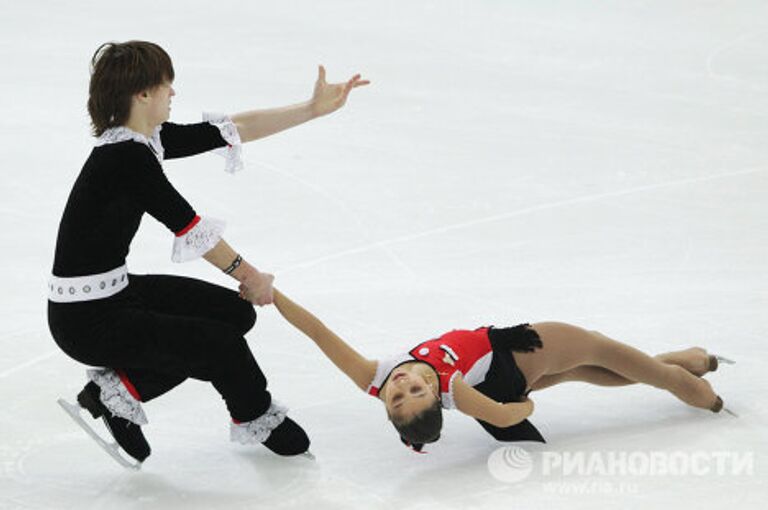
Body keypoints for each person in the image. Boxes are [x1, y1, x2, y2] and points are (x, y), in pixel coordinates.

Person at [47, 40, 369, 465]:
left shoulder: (138, 143)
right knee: (218, 344)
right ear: (142, 94)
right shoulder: (125, 158)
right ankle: (255, 413)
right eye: (166, 86)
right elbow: (189, 226)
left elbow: (231, 128)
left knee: (234, 314)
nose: (173, 94)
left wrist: (309, 109)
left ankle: (120, 392)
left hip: (113, 295)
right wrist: (249, 275)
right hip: (87, 320)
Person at [259, 288, 729, 452]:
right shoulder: (454, 387)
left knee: (598, 371)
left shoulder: (369, 374)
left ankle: (688, 358)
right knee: (614, 356)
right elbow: (505, 417)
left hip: (512, 372)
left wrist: (270, 295)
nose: (403, 385)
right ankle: (705, 394)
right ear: (434, 393)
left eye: (397, 397)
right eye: (415, 394)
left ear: (381, 401)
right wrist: (526, 401)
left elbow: (317, 332)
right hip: (525, 349)